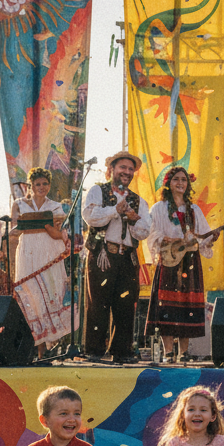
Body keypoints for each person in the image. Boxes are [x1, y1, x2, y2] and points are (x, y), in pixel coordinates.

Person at [82, 150, 151, 363]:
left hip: (127, 257)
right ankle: (94, 350)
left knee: (126, 306)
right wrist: (114, 210)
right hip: (103, 253)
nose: (127, 172)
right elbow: (90, 217)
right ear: (112, 169)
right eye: (123, 167)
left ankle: (122, 351)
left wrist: (131, 217)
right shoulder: (97, 191)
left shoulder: (138, 200)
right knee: (98, 303)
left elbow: (144, 230)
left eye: (130, 169)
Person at [145, 165, 219, 362]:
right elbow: (151, 232)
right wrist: (170, 240)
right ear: (169, 183)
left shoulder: (194, 210)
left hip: (190, 261)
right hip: (170, 259)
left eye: (184, 180)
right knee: (167, 306)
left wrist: (211, 239)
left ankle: (183, 353)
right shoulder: (159, 208)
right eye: (176, 179)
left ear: (188, 184)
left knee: (188, 305)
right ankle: (168, 352)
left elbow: (202, 237)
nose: (180, 183)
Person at [10, 168, 71, 357]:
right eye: (37, 184)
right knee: (31, 295)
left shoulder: (55, 206)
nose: (41, 187)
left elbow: (58, 232)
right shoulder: (19, 204)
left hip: (48, 251)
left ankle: (49, 347)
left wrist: (49, 227)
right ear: (30, 186)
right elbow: (14, 229)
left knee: (50, 293)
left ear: (49, 186)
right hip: (28, 251)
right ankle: (35, 348)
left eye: (45, 184)